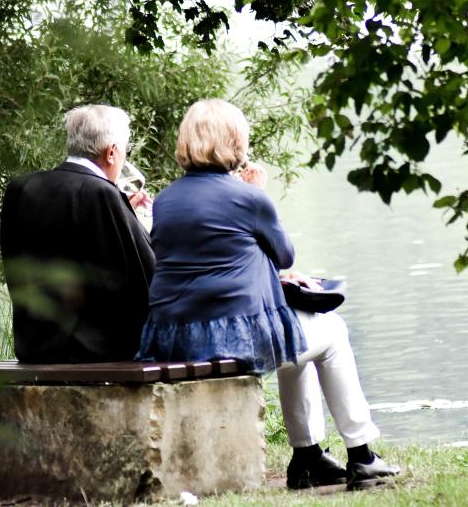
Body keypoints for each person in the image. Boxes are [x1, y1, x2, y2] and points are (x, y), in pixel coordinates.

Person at [137, 99, 400, 490]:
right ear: (234, 141)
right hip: (230, 339)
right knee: (332, 331)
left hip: (175, 336)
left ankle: (308, 456)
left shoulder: (167, 200)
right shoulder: (248, 197)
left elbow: (214, 254)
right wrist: (259, 193)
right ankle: (361, 454)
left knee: (299, 343)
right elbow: (285, 254)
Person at [0, 104, 154, 363]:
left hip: (34, 346)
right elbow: (144, 274)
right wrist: (138, 222)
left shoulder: (21, 188)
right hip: (95, 351)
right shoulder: (102, 194)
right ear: (112, 153)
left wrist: (123, 210)